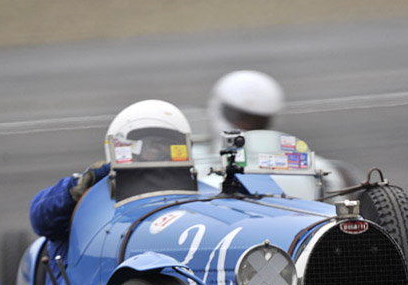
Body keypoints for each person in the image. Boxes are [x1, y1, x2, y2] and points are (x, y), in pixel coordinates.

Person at [29, 99, 193, 266]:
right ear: (127, 147)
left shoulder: (194, 192)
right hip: (83, 283)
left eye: (172, 147)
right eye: (154, 147)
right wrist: (74, 190)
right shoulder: (95, 191)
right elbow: (40, 218)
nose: (164, 155)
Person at [206, 70, 285, 154]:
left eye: (257, 121)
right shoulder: (198, 154)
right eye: (239, 118)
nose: (246, 125)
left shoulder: (283, 158)